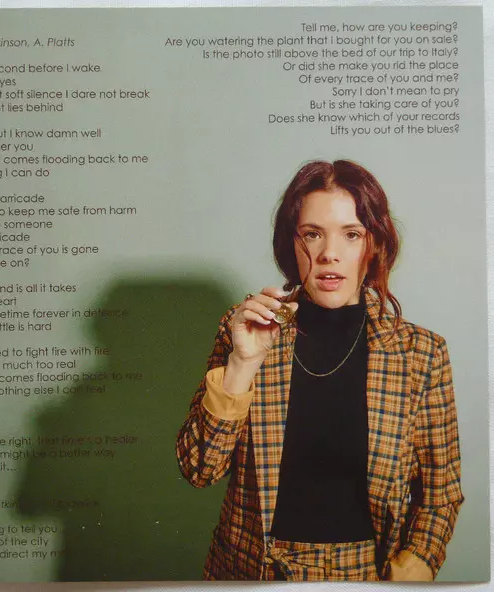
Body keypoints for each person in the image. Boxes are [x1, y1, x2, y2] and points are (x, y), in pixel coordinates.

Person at [176, 160, 463, 582]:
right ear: (291, 243)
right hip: (248, 575)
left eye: (351, 234)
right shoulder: (245, 331)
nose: (330, 253)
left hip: (365, 575)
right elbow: (199, 470)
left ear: (374, 243)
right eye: (312, 234)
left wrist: (413, 567)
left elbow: (441, 496)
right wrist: (242, 364)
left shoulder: (421, 354)